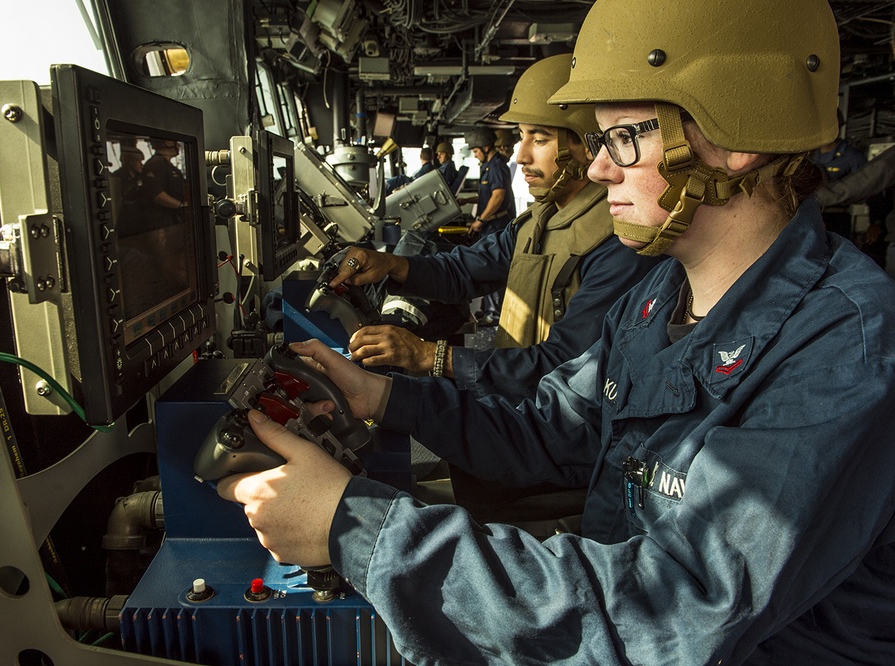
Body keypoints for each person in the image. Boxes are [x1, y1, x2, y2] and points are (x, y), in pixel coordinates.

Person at [220, 1, 895, 663]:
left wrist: (354, 529)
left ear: (738, 139)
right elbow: (554, 428)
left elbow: (677, 613)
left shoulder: (844, 350)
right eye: (598, 141)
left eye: (625, 137)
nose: (600, 169)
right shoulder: (662, 292)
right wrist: (383, 397)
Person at [336, 54, 661, 405]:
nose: (520, 156)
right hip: (521, 405)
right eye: (521, 136)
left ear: (586, 146)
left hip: (567, 426)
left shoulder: (617, 242)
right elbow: (464, 270)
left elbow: (565, 362)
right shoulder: (539, 220)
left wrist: (428, 355)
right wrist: (390, 265)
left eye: (539, 138)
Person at [457, 127, 516, 324]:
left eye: (475, 151)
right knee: (487, 265)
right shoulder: (488, 166)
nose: (475, 155)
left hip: (495, 224)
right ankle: (488, 309)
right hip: (490, 225)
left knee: (494, 266)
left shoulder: (497, 166)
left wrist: (480, 220)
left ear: (485, 147)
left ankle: (496, 314)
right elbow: (487, 194)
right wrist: (468, 200)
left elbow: (498, 196)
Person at [809, 113, 867, 238]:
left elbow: (866, 185)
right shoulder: (810, 156)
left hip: (837, 216)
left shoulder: (852, 157)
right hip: (811, 214)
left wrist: (876, 222)